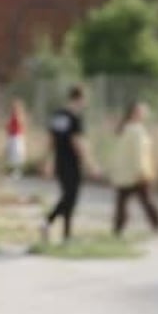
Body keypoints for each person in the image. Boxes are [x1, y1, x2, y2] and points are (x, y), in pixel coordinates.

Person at [41, 85, 100, 243]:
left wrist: (47, 160)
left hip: (60, 161)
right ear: (79, 98)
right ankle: (48, 221)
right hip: (72, 162)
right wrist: (91, 165)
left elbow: (51, 140)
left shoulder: (58, 115)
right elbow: (77, 142)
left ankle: (66, 235)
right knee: (70, 197)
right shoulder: (74, 117)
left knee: (68, 197)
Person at [110, 101, 158, 236]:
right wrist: (141, 171)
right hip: (137, 173)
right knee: (146, 201)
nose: (145, 114)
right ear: (135, 113)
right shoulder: (137, 130)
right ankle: (157, 225)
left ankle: (118, 229)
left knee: (122, 203)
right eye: (142, 111)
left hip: (124, 173)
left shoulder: (124, 129)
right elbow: (139, 153)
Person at [5, 98, 27, 179]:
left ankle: (18, 171)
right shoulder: (11, 116)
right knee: (11, 154)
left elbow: (21, 124)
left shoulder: (19, 115)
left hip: (17, 137)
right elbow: (8, 126)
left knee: (17, 153)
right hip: (11, 136)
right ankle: (13, 170)